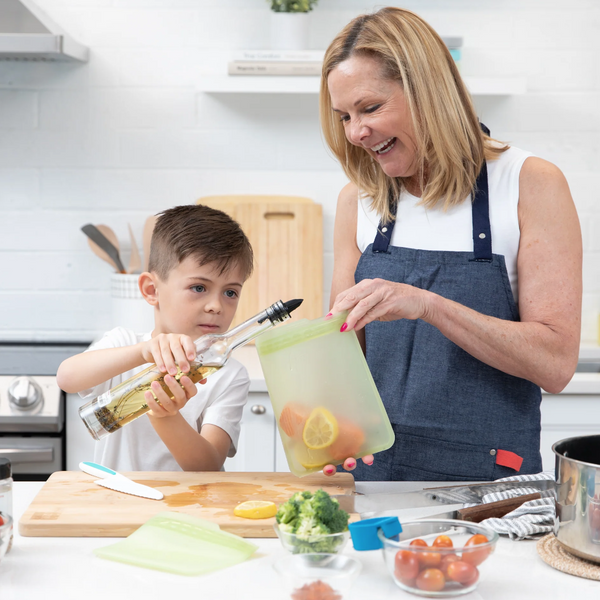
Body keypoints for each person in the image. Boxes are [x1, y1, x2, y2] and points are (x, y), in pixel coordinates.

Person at [318, 7, 582, 481]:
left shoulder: (528, 184)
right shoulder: (357, 200)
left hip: (487, 490)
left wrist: (428, 305)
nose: (356, 132)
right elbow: (344, 355)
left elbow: (555, 364)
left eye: (371, 108)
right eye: (344, 116)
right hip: (370, 481)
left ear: (428, 93)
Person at [57, 204, 254, 472]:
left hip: (189, 511)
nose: (216, 306)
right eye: (199, 287)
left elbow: (207, 466)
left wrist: (166, 416)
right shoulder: (124, 343)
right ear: (152, 290)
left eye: (230, 292)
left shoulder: (229, 374)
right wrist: (142, 352)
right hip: (117, 508)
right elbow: (67, 378)